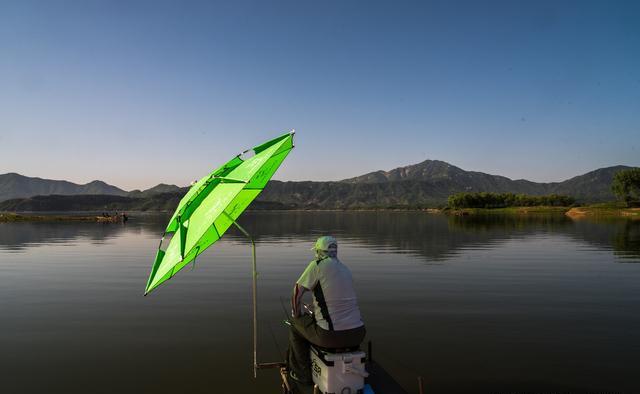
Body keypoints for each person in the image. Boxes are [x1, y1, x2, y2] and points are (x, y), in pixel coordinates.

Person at [288, 236, 366, 385]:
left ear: (318, 251)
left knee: (295, 327)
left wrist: (297, 315)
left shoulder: (317, 265)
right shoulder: (345, 269)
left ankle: (302, 374)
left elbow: (296, 293)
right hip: (358, 334)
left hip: (330, 336)